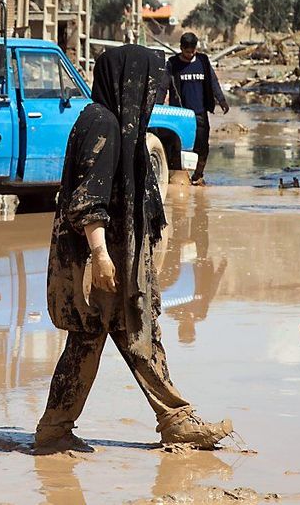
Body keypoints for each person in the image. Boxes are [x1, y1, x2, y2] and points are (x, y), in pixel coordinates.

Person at [34, 44, 233, 454]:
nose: (154, 95)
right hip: (102, 260)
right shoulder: (102, 124)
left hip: (118, 256)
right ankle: (168, 421)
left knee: (126, 338)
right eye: (150, 86)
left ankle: (165, 420)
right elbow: (89, 200)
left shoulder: (121, 125)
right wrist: (102, 256)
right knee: (118, 337)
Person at [166, 32, 230, 186]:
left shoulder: (203, 61)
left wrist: (221, 100)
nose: (190, 54)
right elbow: (163, 85)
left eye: (193, 51)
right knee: (179, 147)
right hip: (180, 115)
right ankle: (179, 177)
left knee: (202, 146)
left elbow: (213, 81)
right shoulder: (172, 64)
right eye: (187, 51)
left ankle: (198, 175)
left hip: (200, 112)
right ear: (181, 48)